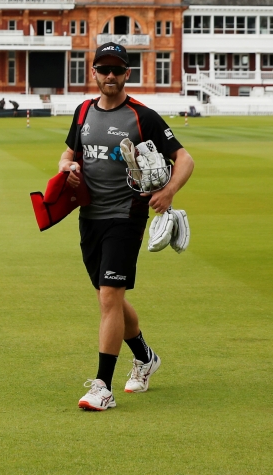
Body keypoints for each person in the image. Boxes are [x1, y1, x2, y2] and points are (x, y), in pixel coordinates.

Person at [58, 43, 194, 412]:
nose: (111, 76)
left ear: (127, 74)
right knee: (111, 298)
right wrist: (67, 170)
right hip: (90, 217)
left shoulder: (142, 117)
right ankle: (145, 357)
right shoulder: (83, 111)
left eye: (117, 70)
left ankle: (103, 386)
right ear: (94, 73)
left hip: (126, 215)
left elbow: (184, 158)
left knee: (108, 297)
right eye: (104, 69)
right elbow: (69, 154)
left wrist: (168, 191)